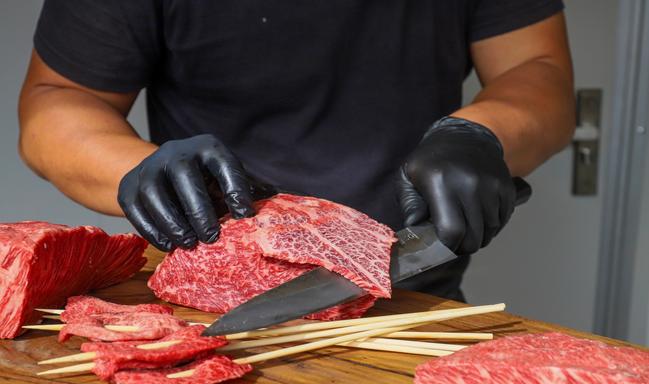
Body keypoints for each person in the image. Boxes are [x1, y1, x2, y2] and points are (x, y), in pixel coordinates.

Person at [18, 1, 575, 301]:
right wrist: (132, 166)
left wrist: (481, 131)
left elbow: (537, 71)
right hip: (208, 292)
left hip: (408, 296)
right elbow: (59, 100)